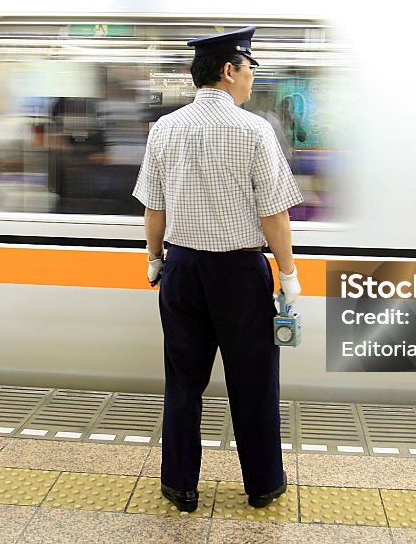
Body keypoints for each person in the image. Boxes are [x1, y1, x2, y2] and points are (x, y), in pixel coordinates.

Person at [132, 26, 303, 511]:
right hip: (238, 274)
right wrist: (288, 277)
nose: (252, 79)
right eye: (250, 69)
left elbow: (153, 208)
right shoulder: (254, 130)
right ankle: (263, 483)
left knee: (183, 380)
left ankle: (180, 484)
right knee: (253, 380)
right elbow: (274, 213)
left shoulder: (165, 128)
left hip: (181, 270)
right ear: (229, 71)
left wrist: (154, 259)